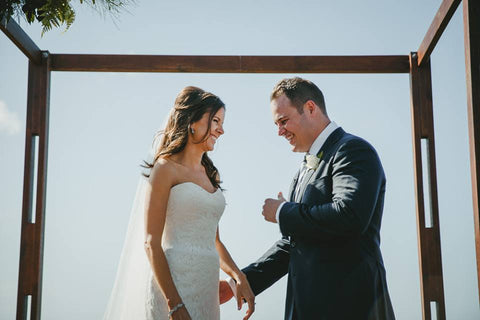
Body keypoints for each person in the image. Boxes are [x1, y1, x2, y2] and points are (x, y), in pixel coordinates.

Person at [220, 77, 395, 320]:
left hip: (352, 306)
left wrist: (282, 212)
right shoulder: (302, 171)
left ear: (310, 108)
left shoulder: (353, 150)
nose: (279, 132)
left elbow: (350, 215)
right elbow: (294, 245)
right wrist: (239, 281)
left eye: (283, 121)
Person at [103, 86, 255, 320]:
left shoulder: (211, 175)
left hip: (205, 288)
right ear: (192, 121)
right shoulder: (165, 169)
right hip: (172, 288)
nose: (221, 130)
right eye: (215, 121)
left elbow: (214, 241)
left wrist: (239, 276)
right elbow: (151, 242)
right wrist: (173, 304)